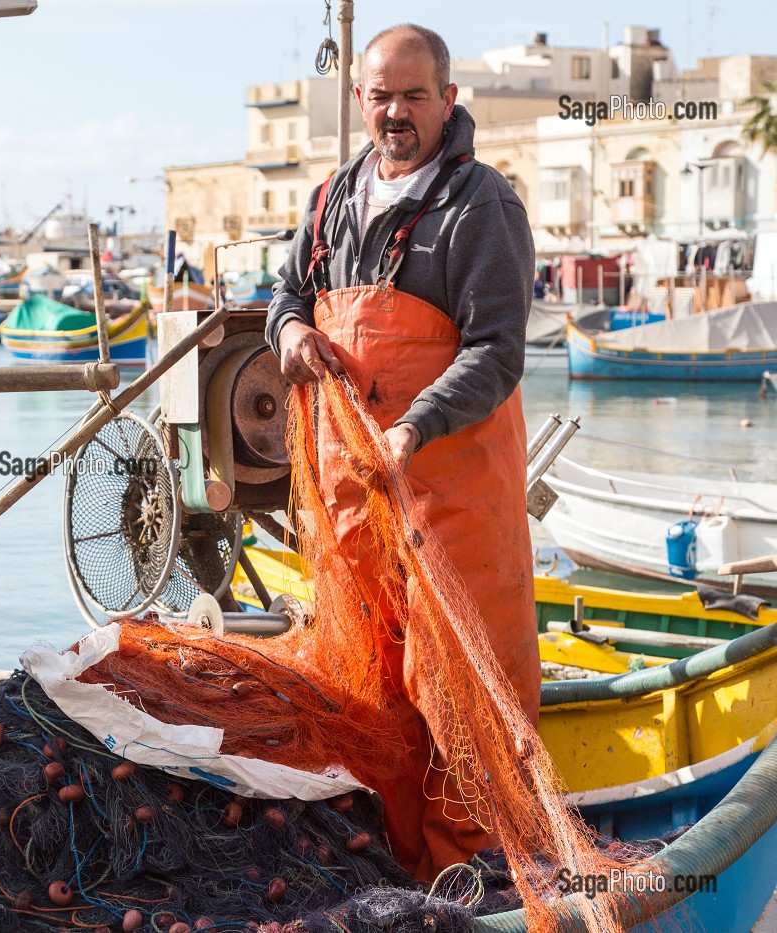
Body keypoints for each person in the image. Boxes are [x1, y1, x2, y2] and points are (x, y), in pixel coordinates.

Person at [264, 24, 539, 881]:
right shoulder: (330, 201)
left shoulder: (480, 204)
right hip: (356, 503)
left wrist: (415, 425)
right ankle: (391, 866)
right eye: (381, 95)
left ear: (448, 100)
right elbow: (281, 295)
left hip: (452, 499)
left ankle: (477, 871)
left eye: (414, 96)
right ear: (359, 100)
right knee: (372, 687)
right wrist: (292, 333)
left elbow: (496, 349)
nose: (396, 112)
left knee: (461, 687)